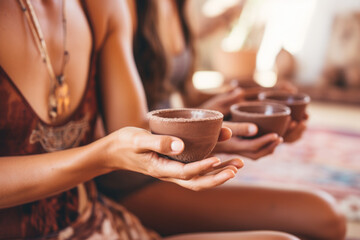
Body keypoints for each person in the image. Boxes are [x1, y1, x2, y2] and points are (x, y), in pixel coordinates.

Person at [0, 0, 304, 239]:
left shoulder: (102, 6)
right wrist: (102, 157)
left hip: (96, 224)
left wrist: (213, 133)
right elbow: (116, 151)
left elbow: (132, 128)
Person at [96, 1, 346, 240]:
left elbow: (186, 95)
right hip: (135, 181)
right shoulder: (123, 6)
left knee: (325, 223)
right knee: (326, 218)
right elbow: (131, 136)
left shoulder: (178, 5)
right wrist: (214, 136)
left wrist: (248, 101)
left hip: (174, 162)